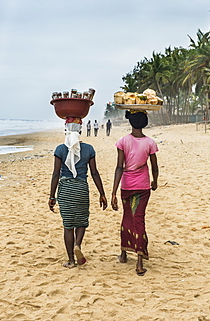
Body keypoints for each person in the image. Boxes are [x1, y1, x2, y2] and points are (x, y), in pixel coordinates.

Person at [49, 118, 107, 268]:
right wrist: (102, 193)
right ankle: (78, 245)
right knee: (81, 221)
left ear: (66, 131)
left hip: (66, 189)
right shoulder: (89, 149)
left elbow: (56, 174)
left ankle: (71, 260)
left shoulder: (60, 149)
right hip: (81, 188)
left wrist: (51, 196)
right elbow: (94, 173)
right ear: (80, 132)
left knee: (68, 225)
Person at [111, 110, 159, 276]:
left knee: (127, 217)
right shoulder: (150, 143)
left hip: (127, 186)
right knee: (139, 219)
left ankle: (124, 254)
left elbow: (119, 167)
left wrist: (113, 192)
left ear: (130, 122)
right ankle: (139, 262)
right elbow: (154, 166)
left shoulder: (123, 141)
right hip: (143, 187)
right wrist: (155, 180)